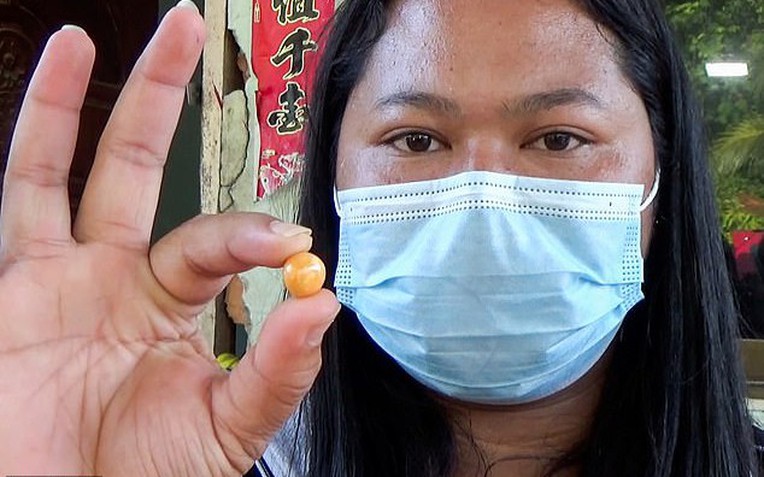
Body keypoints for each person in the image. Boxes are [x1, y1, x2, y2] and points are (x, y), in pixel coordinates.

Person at [0, 0, 756, 476]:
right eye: (415, 139)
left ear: (663, 174)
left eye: (560, 138)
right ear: (334, 178)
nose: (481, 204)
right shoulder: (217, 458)